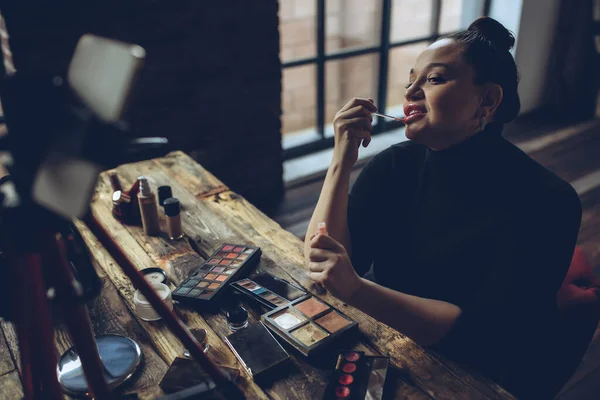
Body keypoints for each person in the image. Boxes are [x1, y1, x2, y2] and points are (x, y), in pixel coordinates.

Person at [304, 17, 582, 398]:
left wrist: (357, 290)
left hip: (476, 377)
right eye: (410, 81)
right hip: (392, 341)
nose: (411, 92)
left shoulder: (547, 201)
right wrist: (341, 160)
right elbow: (323, 258)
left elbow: (483, 335)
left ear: (487, 101)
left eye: (434, 79)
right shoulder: (395, 165)